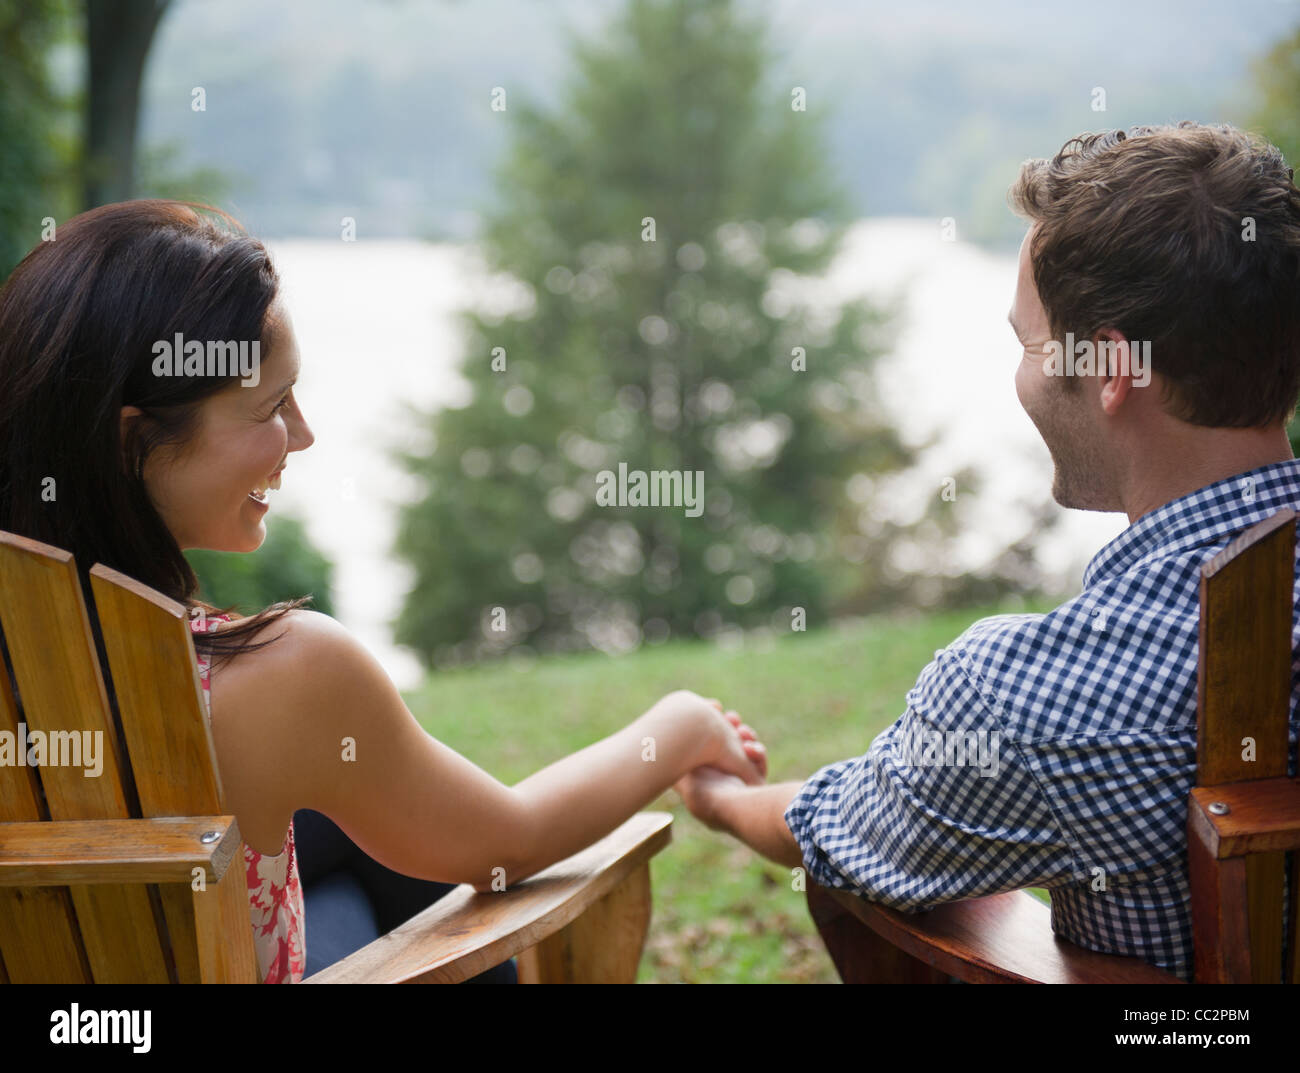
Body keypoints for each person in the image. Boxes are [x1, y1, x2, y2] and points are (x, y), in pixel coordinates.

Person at [0, 199, 768, 984]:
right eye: (271, 406)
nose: (302, 435)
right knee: (417, 882)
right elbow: (509, 844)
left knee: (347, 846)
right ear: (136, 442)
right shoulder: (283, 678)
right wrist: (680, 727)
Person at [675, 121, 1300, 982]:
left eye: (1029, 346)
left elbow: (846, 836)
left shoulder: (1029, 697)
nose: (1026, 377)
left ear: (1111, 369)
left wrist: (721, 800)